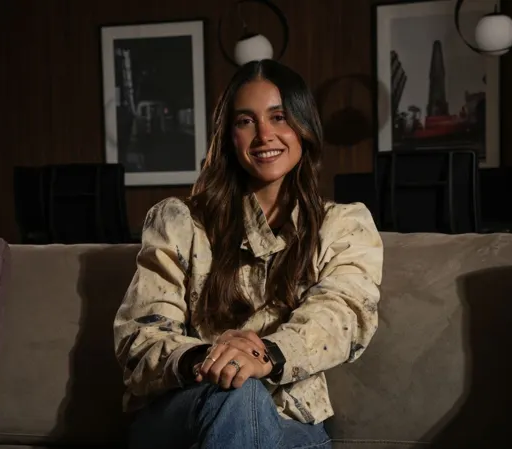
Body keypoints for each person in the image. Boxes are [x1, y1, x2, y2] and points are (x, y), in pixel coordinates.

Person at [113, 59, 384, 449]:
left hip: (289, 421)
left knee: (260, 412)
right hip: (184, 412)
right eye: (245, 121)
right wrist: (213, 360)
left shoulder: (343, 225)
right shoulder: (179, 222)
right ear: (228, 136)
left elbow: (343, 313)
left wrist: (265, 354)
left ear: (304, 127)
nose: (264, 135)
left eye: (279, 117)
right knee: (240, 393)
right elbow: (141, 336)